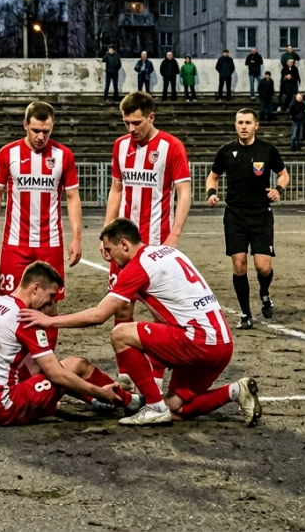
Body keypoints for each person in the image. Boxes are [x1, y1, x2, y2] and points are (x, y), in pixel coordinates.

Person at [20, 219, 262, 427]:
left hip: (198, 342)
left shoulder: (138, 267)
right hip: (222, 344)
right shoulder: (170, 252)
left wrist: (49, 321)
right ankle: (236, 391)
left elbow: (99, 315)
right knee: (175, 409)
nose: (109, 258)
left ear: (124, 244)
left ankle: (154, 407)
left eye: (109, 250)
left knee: (120, 334)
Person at [0, 262, 133, 426]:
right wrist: (99, 392)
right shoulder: (25, 318)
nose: (51, 302)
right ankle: (129, 401)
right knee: (75, 365)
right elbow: (57, 375)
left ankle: (96, 400)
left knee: (40, 365)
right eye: (51, 295)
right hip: (0, 410)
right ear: (35, 288)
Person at [106, 90, 192, 391]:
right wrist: (108, 235)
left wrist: (175, 234)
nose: (131, 129)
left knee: (161, 310)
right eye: (126, 123)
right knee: (121, 307)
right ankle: (127, 371)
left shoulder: (171, 147)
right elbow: (116, 190)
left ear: (151, 117)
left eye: (137, 123)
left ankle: (159, 367)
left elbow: (183, 192)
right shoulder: (120, 146)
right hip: (124, 246)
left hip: (156, 246)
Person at [0, 101, 82, 307]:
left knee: (49, 304)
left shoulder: (64, 155)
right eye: (36, 130)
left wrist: (76, 238)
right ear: (25, 125)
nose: (40, 137)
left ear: (52, 127)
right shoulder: (7, 154)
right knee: (10, 303)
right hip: (15, 243)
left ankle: (44, 341)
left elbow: (72, 197)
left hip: (50, 244)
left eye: (46, 131)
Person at [206, 109, 289, 330]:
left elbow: (284, 174)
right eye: (240, 122)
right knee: (239, 263)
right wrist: (211, 193)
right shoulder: (226, 151)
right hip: (235, 215)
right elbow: (213, 176)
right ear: (235, 125)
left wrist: (278, 190)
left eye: (248, 122)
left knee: (262, 267)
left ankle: (264, 292)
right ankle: (245, 314)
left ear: (256, 125)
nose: (244, 126)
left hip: (261, 213)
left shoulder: (267, 150)